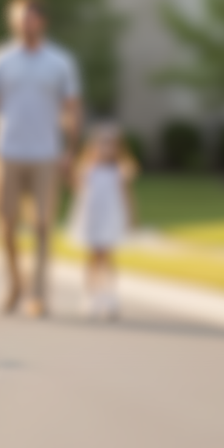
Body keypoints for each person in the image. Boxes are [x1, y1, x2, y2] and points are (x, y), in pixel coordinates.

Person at [0, 0, 83, 317]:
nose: (21, 23)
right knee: (5, 224)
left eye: (27, 16)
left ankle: (37, 293)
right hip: (6, 153)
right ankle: (15, 283)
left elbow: (72, 108)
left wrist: (71, 151)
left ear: (41, 21)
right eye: (16, 17)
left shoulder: (60, 62)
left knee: (44, 223)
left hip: (46, 154)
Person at [70, 124, 137, 319]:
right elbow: (78, 191)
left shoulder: (119, 172)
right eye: (101, 144)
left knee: (107, 257)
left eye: (111, 144)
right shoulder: (87, 170)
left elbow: (127, 195)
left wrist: (130, 218)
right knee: (92, 257)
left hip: (110, 218)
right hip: (93, 218)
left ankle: (109, 296)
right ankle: (90, 294)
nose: (106, 149)